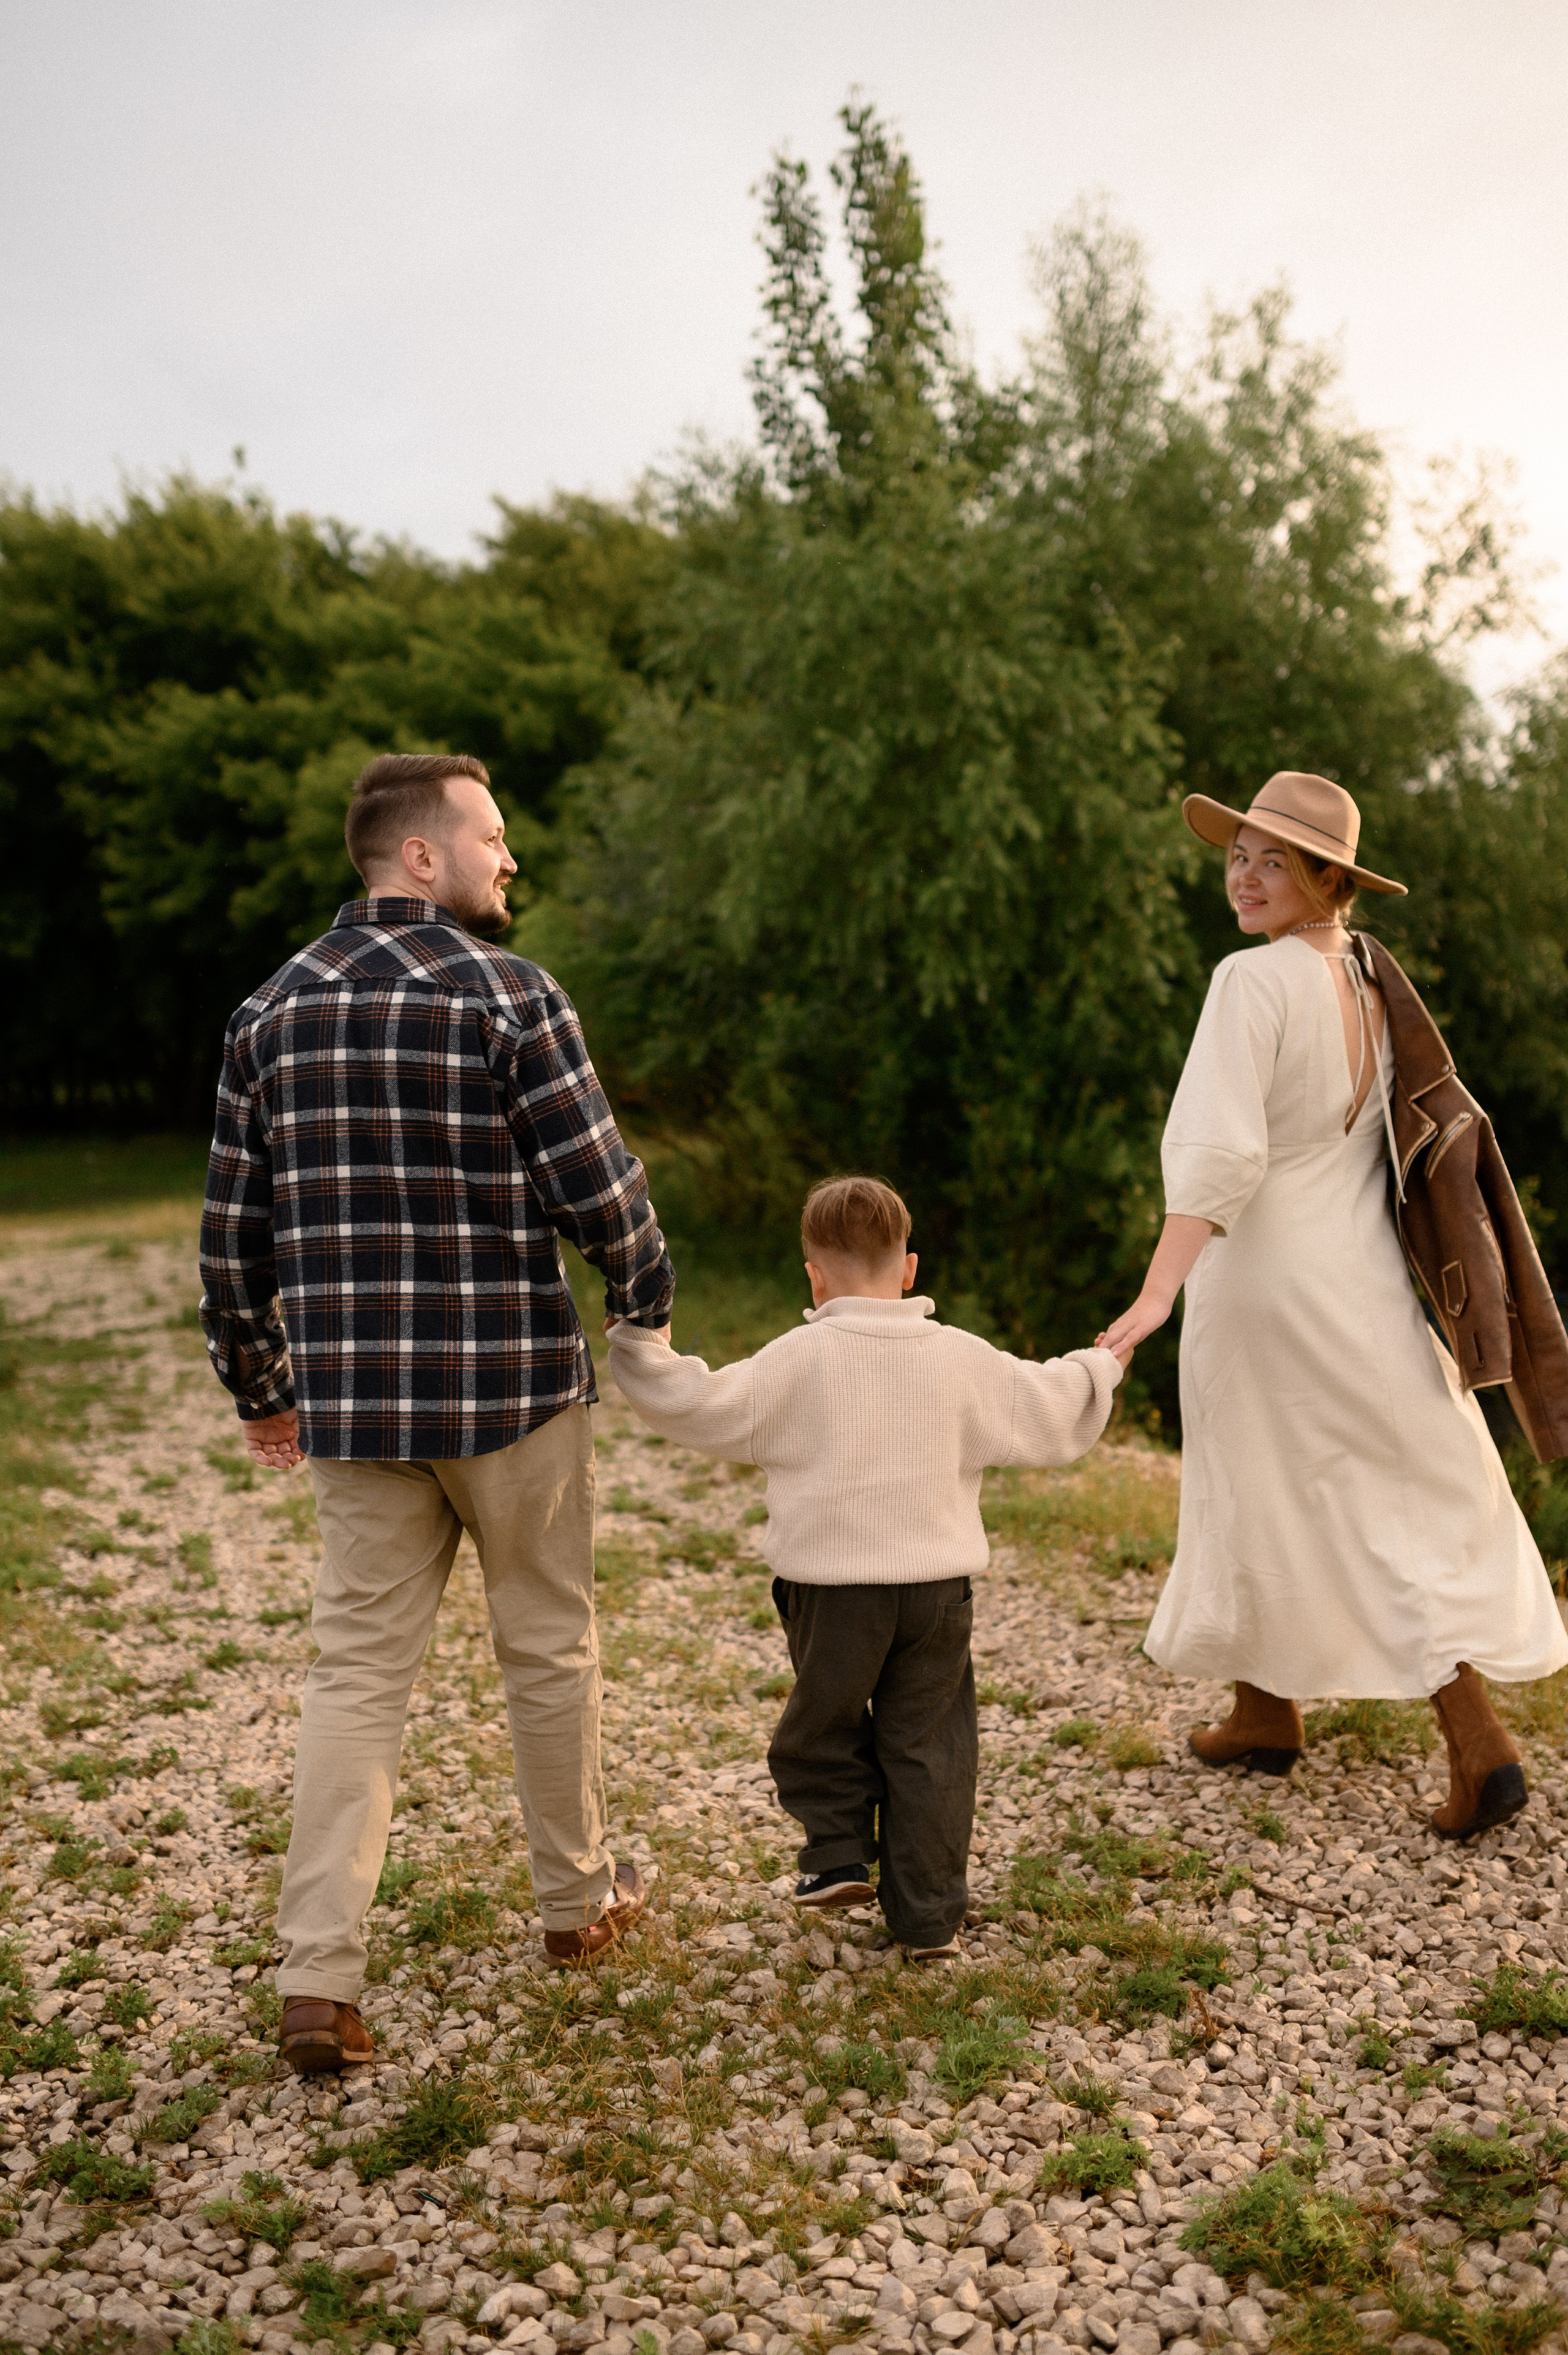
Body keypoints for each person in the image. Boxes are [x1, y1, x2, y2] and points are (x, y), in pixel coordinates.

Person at [199, 752, 674, 2074]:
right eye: (492, 836)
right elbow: (596, 1181)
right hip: (511, 1388)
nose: (507, 858)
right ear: (421, 855)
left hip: (358, 1409)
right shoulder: (507, 992)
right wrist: (644, 1295)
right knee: (547, 1642)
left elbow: (232, 1234)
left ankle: (317, 1979)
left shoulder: (267, 1013)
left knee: (356, 1674)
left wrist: (263, 1385)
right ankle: (577, 1910)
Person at [1101, 771, 1568, 1839]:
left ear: (1329, 879)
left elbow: (1220, 1153)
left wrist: (1157, 1288)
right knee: (1357, 1489)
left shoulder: (1251, 981)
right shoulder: (1368, 978)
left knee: (1279, 1487)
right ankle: (1264, 1707)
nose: (1247, 876)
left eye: (1276, 860)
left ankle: (1479, 1739)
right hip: (1357, 1280)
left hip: (1262, 1283)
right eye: (1239, 855)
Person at [607, 1176, 1129, 1960]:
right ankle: (928, 1920)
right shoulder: (962, 1358)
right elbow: (1045, 1404)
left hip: (830, 1591)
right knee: (930, 1745)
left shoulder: (796, 1360)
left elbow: (697, 1401)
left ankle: (839, 1853)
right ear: (909, 1267)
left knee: (821, 1726)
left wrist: (637, 1345)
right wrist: (1097, 1366)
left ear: (812, 1274)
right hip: (936, 1593)